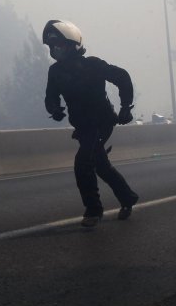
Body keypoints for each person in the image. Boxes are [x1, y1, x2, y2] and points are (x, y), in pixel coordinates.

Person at [42, 19, 139, 227]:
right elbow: (50, 98)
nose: (55, 50)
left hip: (101, 122)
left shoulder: (93, 65)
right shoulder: (55, 72)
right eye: (51, 47)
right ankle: (128, 198)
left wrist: (125, 108)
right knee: (101, 166)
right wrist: (55, 110)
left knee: (83, 163)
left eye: (58, 45)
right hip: (83, 127)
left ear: (72, 44)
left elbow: (122, 77)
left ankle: (93, 210)